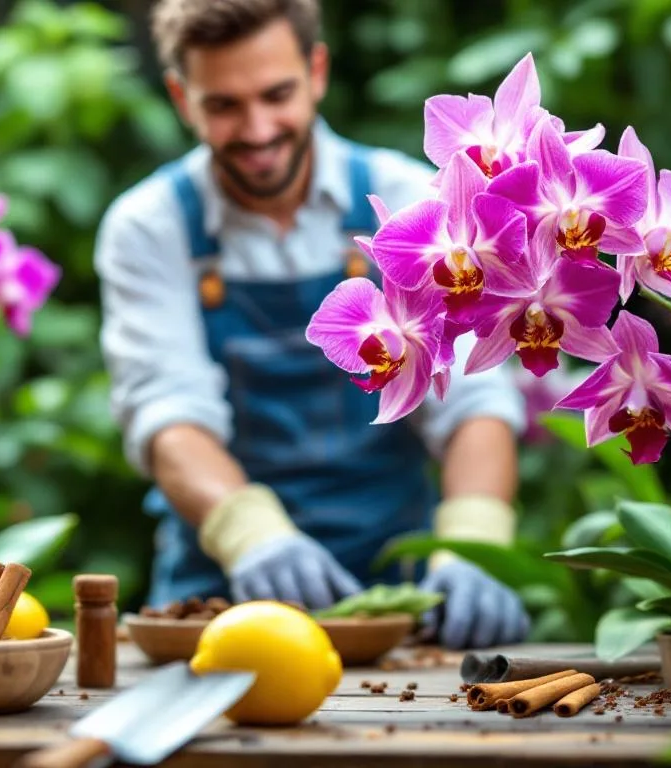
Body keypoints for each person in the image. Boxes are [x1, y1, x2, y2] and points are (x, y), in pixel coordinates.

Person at [94, 0, 531, 649]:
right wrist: (252, 538)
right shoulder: (149, 227)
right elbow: (166, 414)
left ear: (317, 71)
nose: (259, 128)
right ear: (182, 98)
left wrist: (474, 539)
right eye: (223, 106)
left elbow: (476, 397)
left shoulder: (412, 200)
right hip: (219, 601)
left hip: (405, 603)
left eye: (277, 94)